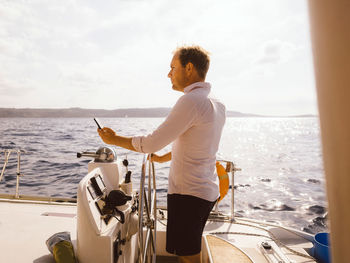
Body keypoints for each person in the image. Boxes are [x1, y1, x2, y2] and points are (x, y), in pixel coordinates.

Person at [98, 45, 226, 263]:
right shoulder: (216, 102)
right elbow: (194, 144)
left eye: (172, 68)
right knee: (186, 252)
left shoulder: (191, 101)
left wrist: (113, 139)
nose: (169, 74)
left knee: (189, 255)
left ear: (188, 67)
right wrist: (161, 158)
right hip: (204, 190)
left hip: (189, 194)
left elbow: (150, 143)